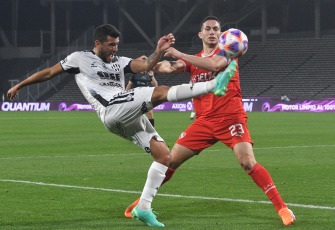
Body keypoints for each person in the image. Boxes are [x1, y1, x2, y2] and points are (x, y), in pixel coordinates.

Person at [7, 24, 238, 227]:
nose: (115, 49)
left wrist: (158, 51)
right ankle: (213, 85)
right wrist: (20, 86)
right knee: (159, 93)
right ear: (97, 43)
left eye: (117, 45)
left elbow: (144, 67)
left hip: (123, 116)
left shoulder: (120, 62)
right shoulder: (79, 59)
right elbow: (48, 73)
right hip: (110, 109)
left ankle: (144, 207)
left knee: (164, 157)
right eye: (110, 45)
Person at [124, 16, 296, 226]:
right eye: (208, 29)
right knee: (170, 160)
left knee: (247, 162)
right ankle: (143, 203)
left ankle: (282, 208)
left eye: (216, 29)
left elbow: (213, 64)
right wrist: (158, 51)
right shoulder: (193, 61)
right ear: (201, 34)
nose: (212, 32)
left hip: (231, 118)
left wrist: (178, 52)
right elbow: (164, 67)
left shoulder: (228, 53)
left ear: (221, 34)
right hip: (204, 122)